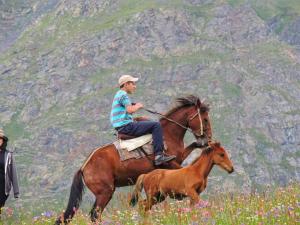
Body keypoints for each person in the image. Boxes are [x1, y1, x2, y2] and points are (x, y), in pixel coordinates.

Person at [110, 75, 176, 166]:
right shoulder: (123, 95)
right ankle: (159, 156)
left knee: (145, 121)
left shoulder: (118, 94)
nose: (135, 86)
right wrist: (138, 106)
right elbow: (130, 110)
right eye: (132, 84)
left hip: (122, 126)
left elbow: (126, 110)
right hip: (126, 126)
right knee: (156, 125)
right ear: (126, 84)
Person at [0, 129, 19, 214]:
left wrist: (16, 191)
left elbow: (13, 173)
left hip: (3, 188)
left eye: (0, 139)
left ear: (3, 141)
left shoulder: (8, 155)